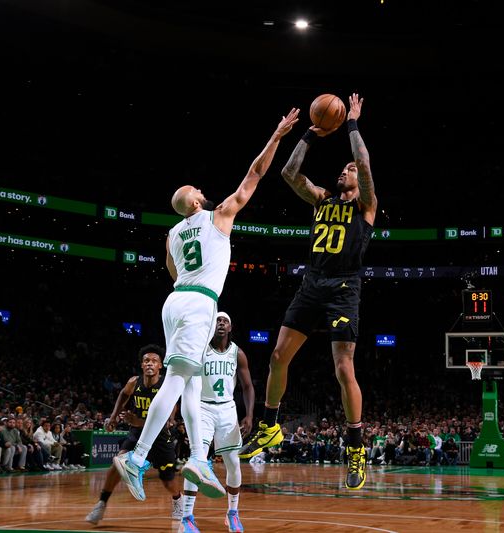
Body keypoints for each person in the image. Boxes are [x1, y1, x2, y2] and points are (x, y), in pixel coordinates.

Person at [115, 108, 299, 508]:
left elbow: (171, 268)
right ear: (195, 200)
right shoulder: (219, 215)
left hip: (175, 299)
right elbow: (254, 174)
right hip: (199, 302)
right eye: (197, 188)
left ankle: (199, 459)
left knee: (194, 383)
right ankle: (136, 456)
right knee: (178, 381)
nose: (202, 189)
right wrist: (277, 135)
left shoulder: (172, 233)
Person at [238, 93, 377, 490]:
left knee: (342, 368)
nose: (346, 170)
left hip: (345, 286)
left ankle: (355, 446)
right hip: (312, 282)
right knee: (278, 355)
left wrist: (350, 123)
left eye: (349, 170)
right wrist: (310, 136)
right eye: (345, 168)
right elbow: (289, 174)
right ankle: (269, 427)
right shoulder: (321, 199)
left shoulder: (366, 205)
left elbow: (364, 162)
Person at [87, 344, 183, 525]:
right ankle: (101, 503)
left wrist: (137, 421)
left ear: (160, 366)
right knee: (118, 462)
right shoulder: (134, 382)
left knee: (168, 481)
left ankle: (178, 499)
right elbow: (123, 395)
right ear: (141, 365)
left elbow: (166, 420)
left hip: (160, 437)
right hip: (137, 434)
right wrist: (113, 417)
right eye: (146, 360)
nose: (150, 364)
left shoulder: (166, 385)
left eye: (154, 361)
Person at [183, 311, 255, 533]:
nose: (221, 324)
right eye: (217, 320)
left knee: (233, 463)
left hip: (227, 410)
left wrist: (250, 415)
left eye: (225, 321)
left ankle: (232, 513)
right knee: (197, 462)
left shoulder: (237, 353)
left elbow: (248, 387)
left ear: (230, 327)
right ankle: (187, 517)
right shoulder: (201, 350)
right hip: (203, 407)